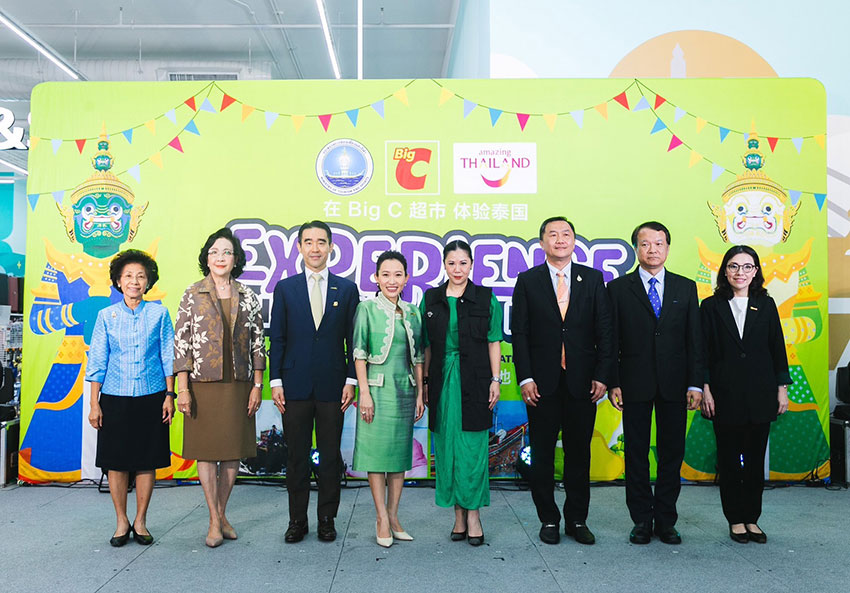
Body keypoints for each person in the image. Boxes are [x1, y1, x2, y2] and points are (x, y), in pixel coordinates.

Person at [511, 216, 614, 545]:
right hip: (542, 384)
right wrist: (525, 377)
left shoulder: (593, 279)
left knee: (579, 454)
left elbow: (605, 331)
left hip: (583, 383)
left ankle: (577, 519)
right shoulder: (528, 280)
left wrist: (602, 375)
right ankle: (549, 519)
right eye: (552, 235)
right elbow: (520, 333)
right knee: (542, 455)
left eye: (566, 234)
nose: (559, 240)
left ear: (574, 241)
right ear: (542, 242)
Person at [607, 221, 704, 545]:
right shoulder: (618, 288)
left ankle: (665, 520)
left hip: (675, 384)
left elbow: (695, 340)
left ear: (667, 248)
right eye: (645, 244)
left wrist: (695, 384)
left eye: (659, 243)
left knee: (671, 453)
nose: (652, 250)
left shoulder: (685, 287)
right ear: (636, 248)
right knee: (635, 453)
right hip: (633, 382)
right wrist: (613, 381)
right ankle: (641, 520)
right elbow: (610, 340)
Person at [173, 227, 266, 548]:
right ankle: (215, 519)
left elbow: (258, 344)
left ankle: (220, 514)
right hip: (202, 383)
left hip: (239, 384)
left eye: (227, 252)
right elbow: (181, 343)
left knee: (231, 452)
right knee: (206, 452)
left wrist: (257, 385)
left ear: (236, 259)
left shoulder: (248, 295)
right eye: (214, 252)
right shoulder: (192, 293)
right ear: (206, 258)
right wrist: (182, 389)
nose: (220, 257)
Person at [269, 220, 359, 543]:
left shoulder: (346, 289)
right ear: (299, 247)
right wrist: (275, 381)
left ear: (331, 247)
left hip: (334, 385)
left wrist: (351, 379)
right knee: (296, 456)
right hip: (294, 385)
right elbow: (277, 338)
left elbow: (353, 340)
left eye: (321, 242)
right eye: (308, 242)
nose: (315, 248)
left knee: (330, 456)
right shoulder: (285, 288)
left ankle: (326, 519)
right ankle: (297, 520)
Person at [700, 245, 790, 544]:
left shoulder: (766, 304)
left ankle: (752, 518)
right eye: (734, 266)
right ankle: (735, 519)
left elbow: (777, 348)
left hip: (761, 394)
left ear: (756, 271)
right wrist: (705, 388)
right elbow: (703, 352)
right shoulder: (710, 306)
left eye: (747, 266)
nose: (741, 272)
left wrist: (781, 389)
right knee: (728, 461)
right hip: (723, 394)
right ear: (725, 271)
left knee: (754, 462)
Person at [85, 249, 174, 547]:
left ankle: (141, 520)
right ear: (118, 281)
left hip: (152, 396)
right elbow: (97, 361)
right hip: (115, 397)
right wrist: (94, 403)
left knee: (147, 461)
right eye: (128, 276)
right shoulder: (105, 316)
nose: (134, 281)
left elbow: (168, 357)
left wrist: (170, 395)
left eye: (140, 276)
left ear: (148, 282)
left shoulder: (159, 314)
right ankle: (122, 521)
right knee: (117, 462)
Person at [420, 240, 502, 546]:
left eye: (463, 263)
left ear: (472, 265)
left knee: (472, 450)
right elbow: (426, 346)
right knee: (447, 449)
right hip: (442, 382)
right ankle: (457, 515)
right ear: (444, 265)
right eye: (452, 263)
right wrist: (425, 383)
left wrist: (495, 379)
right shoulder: (431, 298)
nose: (457, 269)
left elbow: (494, 341)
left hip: (476, 382)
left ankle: (474, 515)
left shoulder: (486, 298)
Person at [352, 250, 425, 548]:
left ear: (406, 278)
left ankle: (394, 517)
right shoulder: (366, 309)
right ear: (376, 278)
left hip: (404, 390)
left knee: (398, 457)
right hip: (376, 390)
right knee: (376, 455)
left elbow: (418, 358)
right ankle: (381, 517)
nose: (391, 280)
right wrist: (364, 394)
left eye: (397, 275)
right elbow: (359, 354)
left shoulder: (413, 312)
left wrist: (420, 393)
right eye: (385, 275)